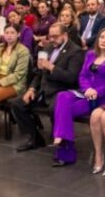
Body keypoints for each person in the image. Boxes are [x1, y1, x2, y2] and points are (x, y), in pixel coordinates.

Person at [11, 22, 85, 151]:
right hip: (43, 90)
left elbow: (71, 78)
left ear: (65, 35)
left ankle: (62, 142)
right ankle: (35, 138)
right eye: (50, 36)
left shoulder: (75, 52)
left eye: (55, 36)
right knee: (17, 104)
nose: (52, 39)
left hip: (61, 91)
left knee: (55, 109)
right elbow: (38, 73)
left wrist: (51, 67)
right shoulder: (48, 48)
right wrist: (32, 88)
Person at [51, 27, 105, 166]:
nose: (103, 41)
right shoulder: (90, 54)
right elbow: (82, 75)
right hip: (85, 92)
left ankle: (65, 148)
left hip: (100, 97)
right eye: (101, 37)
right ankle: (62, 138)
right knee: (62, 96)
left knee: (65, 111)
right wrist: (87, 89)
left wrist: (95, 92)